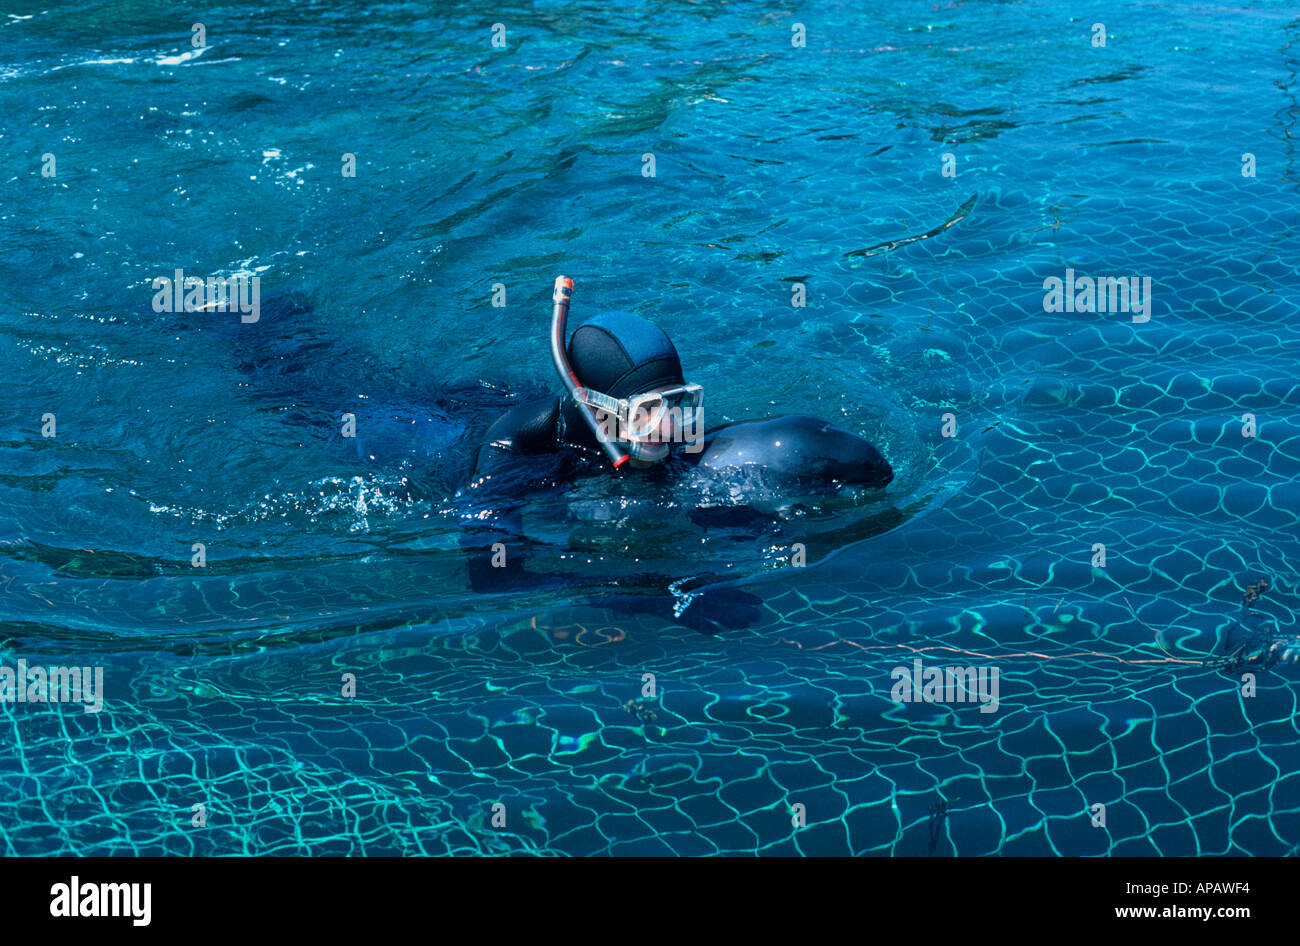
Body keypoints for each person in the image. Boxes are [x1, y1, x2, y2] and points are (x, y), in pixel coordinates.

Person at [466, 276, 894, 488]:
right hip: (445, 424)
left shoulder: (650, 438)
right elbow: (494, 577)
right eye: (648, 411)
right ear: (599, 412)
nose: (671, 427)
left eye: (676, 403)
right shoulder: (512, 451)